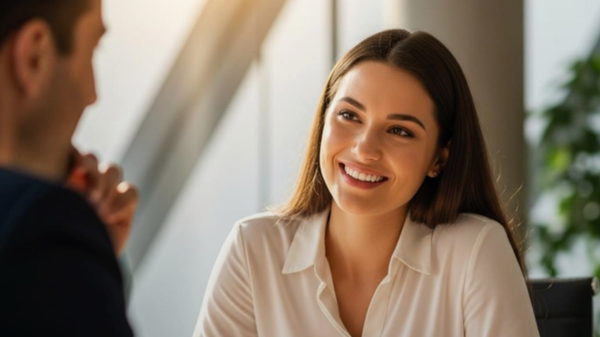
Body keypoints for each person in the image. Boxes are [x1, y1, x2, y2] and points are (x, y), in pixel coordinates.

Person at [194, 29, 539, 337]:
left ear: (439, 158)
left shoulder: (474, 252)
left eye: (400, 131)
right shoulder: (253, 250)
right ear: (324, 121)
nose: (364, 149)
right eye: (349, 115)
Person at [0, 0, 137, 335]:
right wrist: (80, 261)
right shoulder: (46, 239)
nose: (93, 95)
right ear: (34, 55)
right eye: (92, 50)